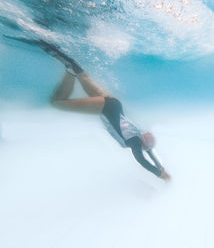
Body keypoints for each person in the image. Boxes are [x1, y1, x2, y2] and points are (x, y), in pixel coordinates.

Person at [5, 36, 171, 180]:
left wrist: (160, 168)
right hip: (106, 108)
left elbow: (149, 152)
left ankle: (56, 50)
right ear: (144, 143)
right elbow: (141, 159)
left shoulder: (139, 137)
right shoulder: (135, 143)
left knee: (82, 77)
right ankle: (69, 70)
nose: (147, 146)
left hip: (114, 103)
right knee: (56, 102)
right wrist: (159, 174)